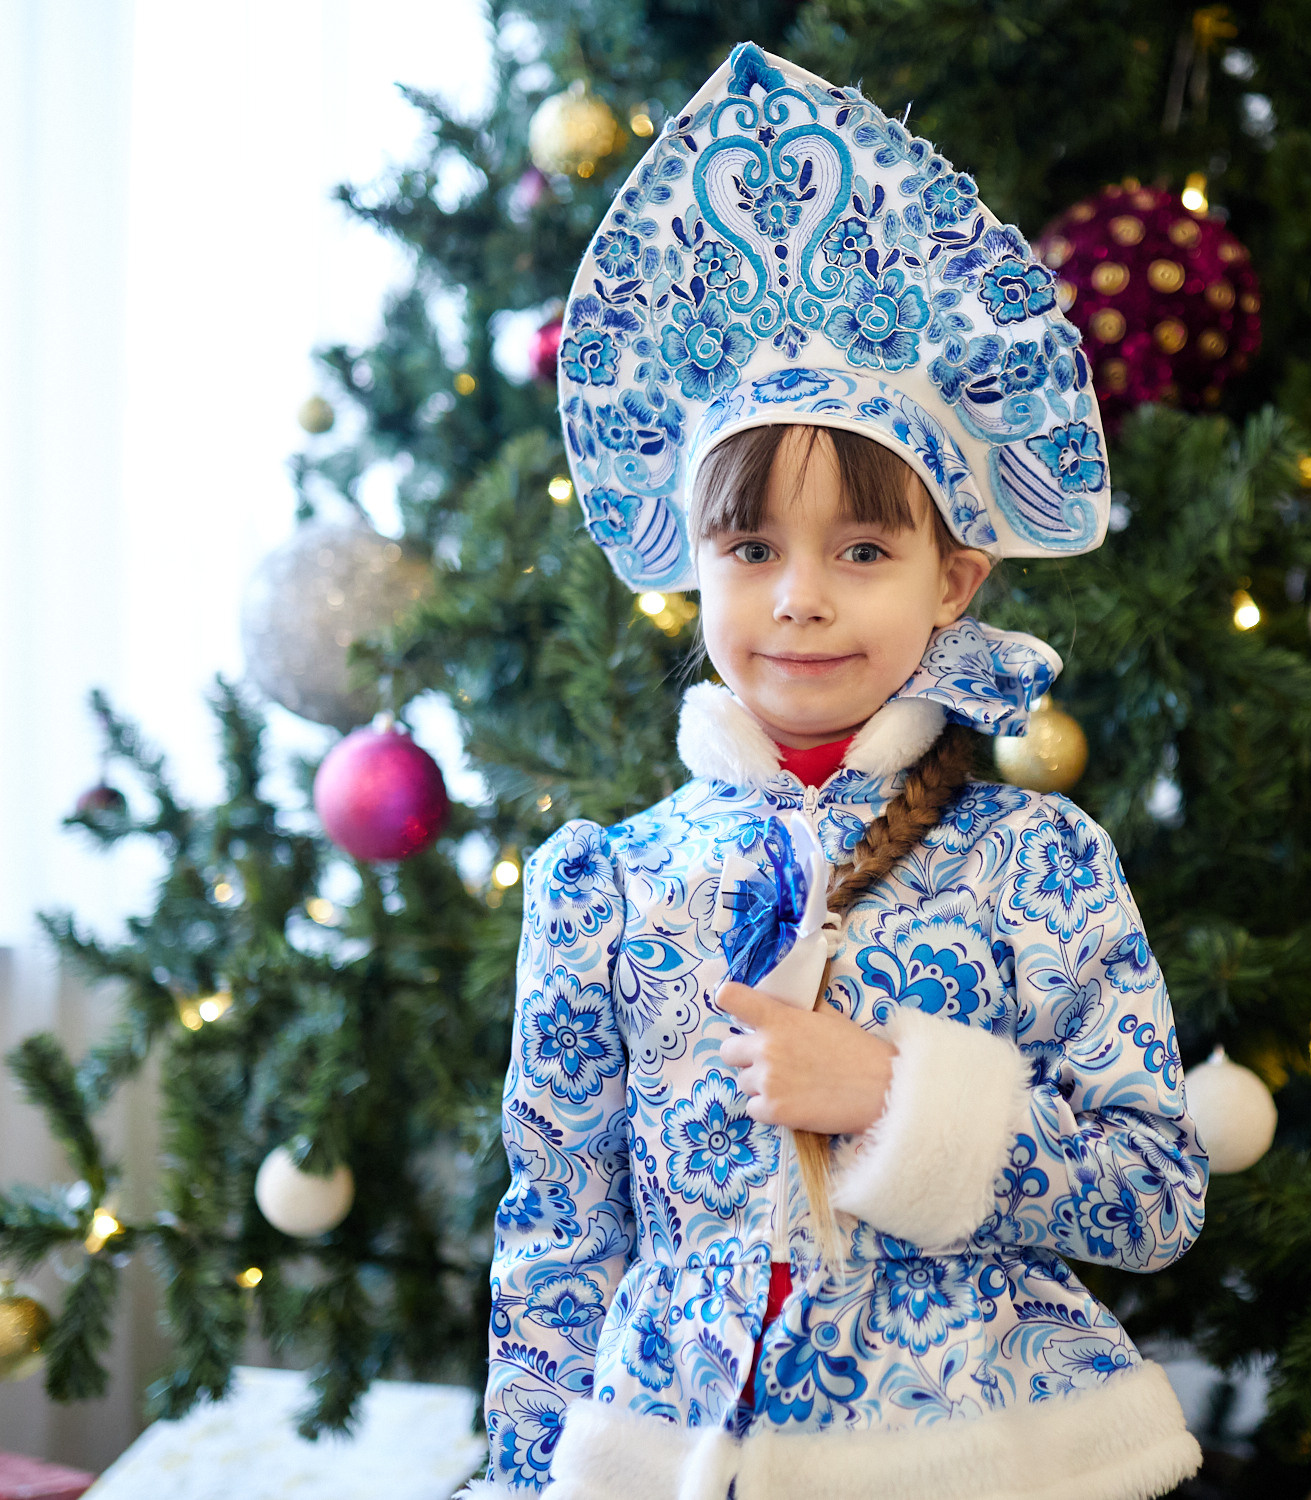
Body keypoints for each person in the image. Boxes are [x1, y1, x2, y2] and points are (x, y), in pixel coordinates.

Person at [472, 42, 1208, 1500]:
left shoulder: (1035, 862)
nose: (800, 598)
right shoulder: (604, 889)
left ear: (955, 579)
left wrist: (893, 1095)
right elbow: (556, 1244)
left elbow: (1155, 1195)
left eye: (862, 549)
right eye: (752, 547)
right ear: (692, 568)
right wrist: (524, 1475)